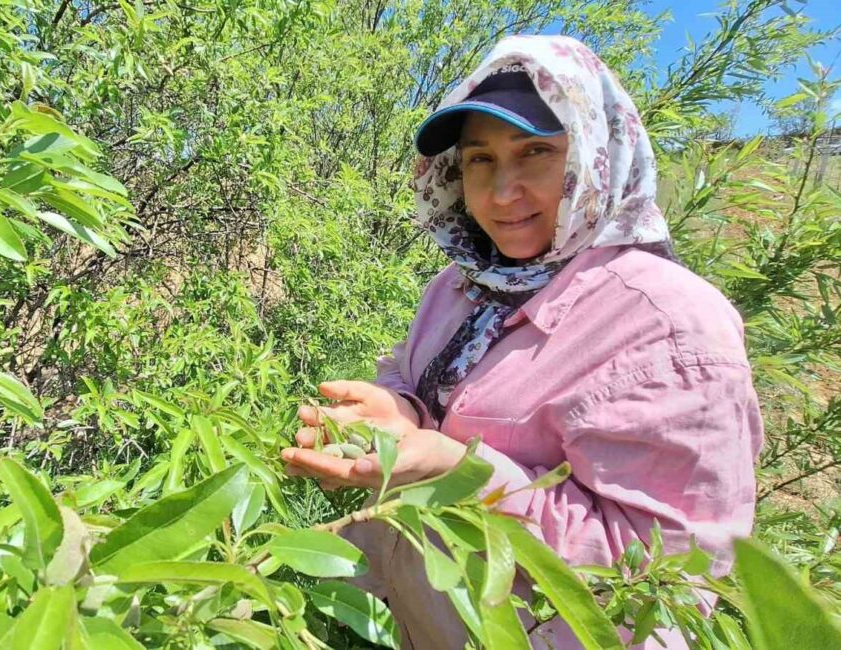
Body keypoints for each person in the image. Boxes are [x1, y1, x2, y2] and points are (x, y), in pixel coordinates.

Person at [280, 34, 763, 649]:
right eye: (480, 158)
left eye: (535, 152)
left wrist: (464, 475)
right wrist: (397, 408)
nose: (502, 193)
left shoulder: (669, 325)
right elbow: (416, 377)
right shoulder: (465, 284)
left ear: (594, 153)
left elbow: (668, 576)